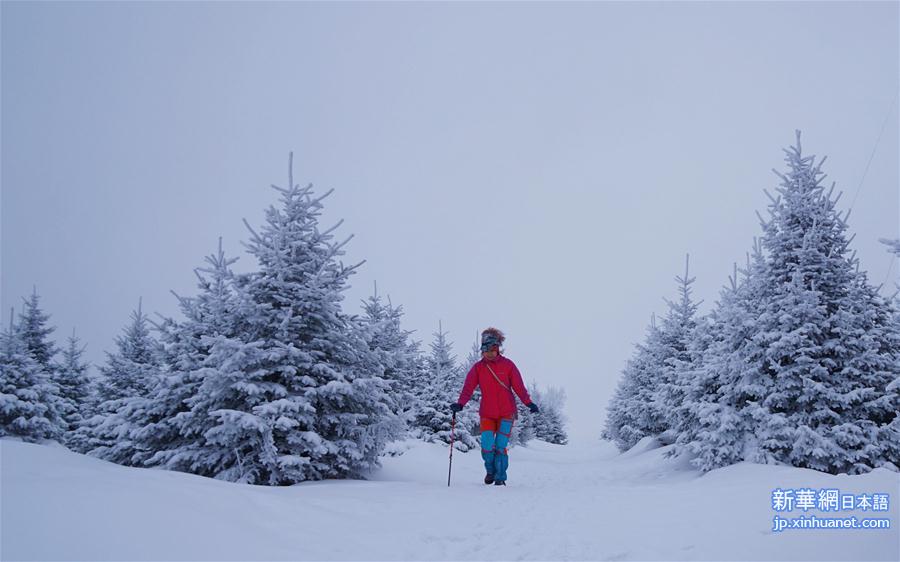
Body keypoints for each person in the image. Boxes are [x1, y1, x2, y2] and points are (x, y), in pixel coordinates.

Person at [450, 327, 539, 486]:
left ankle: (500, 477)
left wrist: (529, 403)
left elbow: (519, 387)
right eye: (486, 350)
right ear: (482, 350)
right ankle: (490, 470)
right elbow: (468, 388)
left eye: (492, 349)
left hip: (507, 413)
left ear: (497, 349)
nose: (489, 353)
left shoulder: (508, 365)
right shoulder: (478, 368)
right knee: (486, 445)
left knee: (500, 446)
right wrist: (460, 404)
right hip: (487, 413)